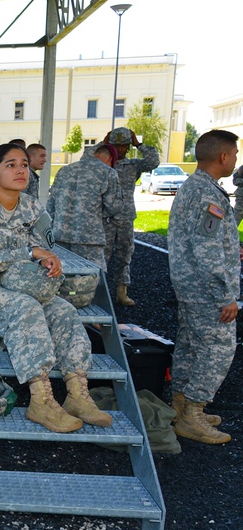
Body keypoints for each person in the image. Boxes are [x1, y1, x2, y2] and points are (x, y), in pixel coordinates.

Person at [0, 143, 112, 433]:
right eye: (10, 165)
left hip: (19, 286)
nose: (21, 170)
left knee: (65, 311)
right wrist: (28, 254)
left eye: (23, 164)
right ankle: (41, 400)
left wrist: (50, 264)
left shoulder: (34, 208)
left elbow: (44, 250)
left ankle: (76, 393)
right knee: (25, 309)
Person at [167, 129, 240, 445]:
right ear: (223, 156)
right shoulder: (208, 194)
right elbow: (206, 249)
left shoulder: (193, 186)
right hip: (205, 289)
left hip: (189, 284)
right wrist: (227, 296)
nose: (236, 158)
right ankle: (193, 415)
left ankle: (181, 405)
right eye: (235, 153)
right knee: (219, 347)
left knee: (191, 342)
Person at [102, 127, 159, 306]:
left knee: (125, 254)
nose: (119, 150)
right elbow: (85, 158)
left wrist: (139, 144)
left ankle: (121, 291)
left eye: (123, 146)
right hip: (106, 217)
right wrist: (102, 145)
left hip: (125, 217)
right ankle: (97, 292)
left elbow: (153, 161)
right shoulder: (103, 164)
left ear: (128, 147)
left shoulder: (133, 165)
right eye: (115, 146)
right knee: (101, 255)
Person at [47, 143, 123, 269]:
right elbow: (114, 207)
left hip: (60, 236)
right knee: (92, 280)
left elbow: (50, 207)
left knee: (63, 277)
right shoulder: (108, 172)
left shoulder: (64, 170)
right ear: (110, 158)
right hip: (90, 239)